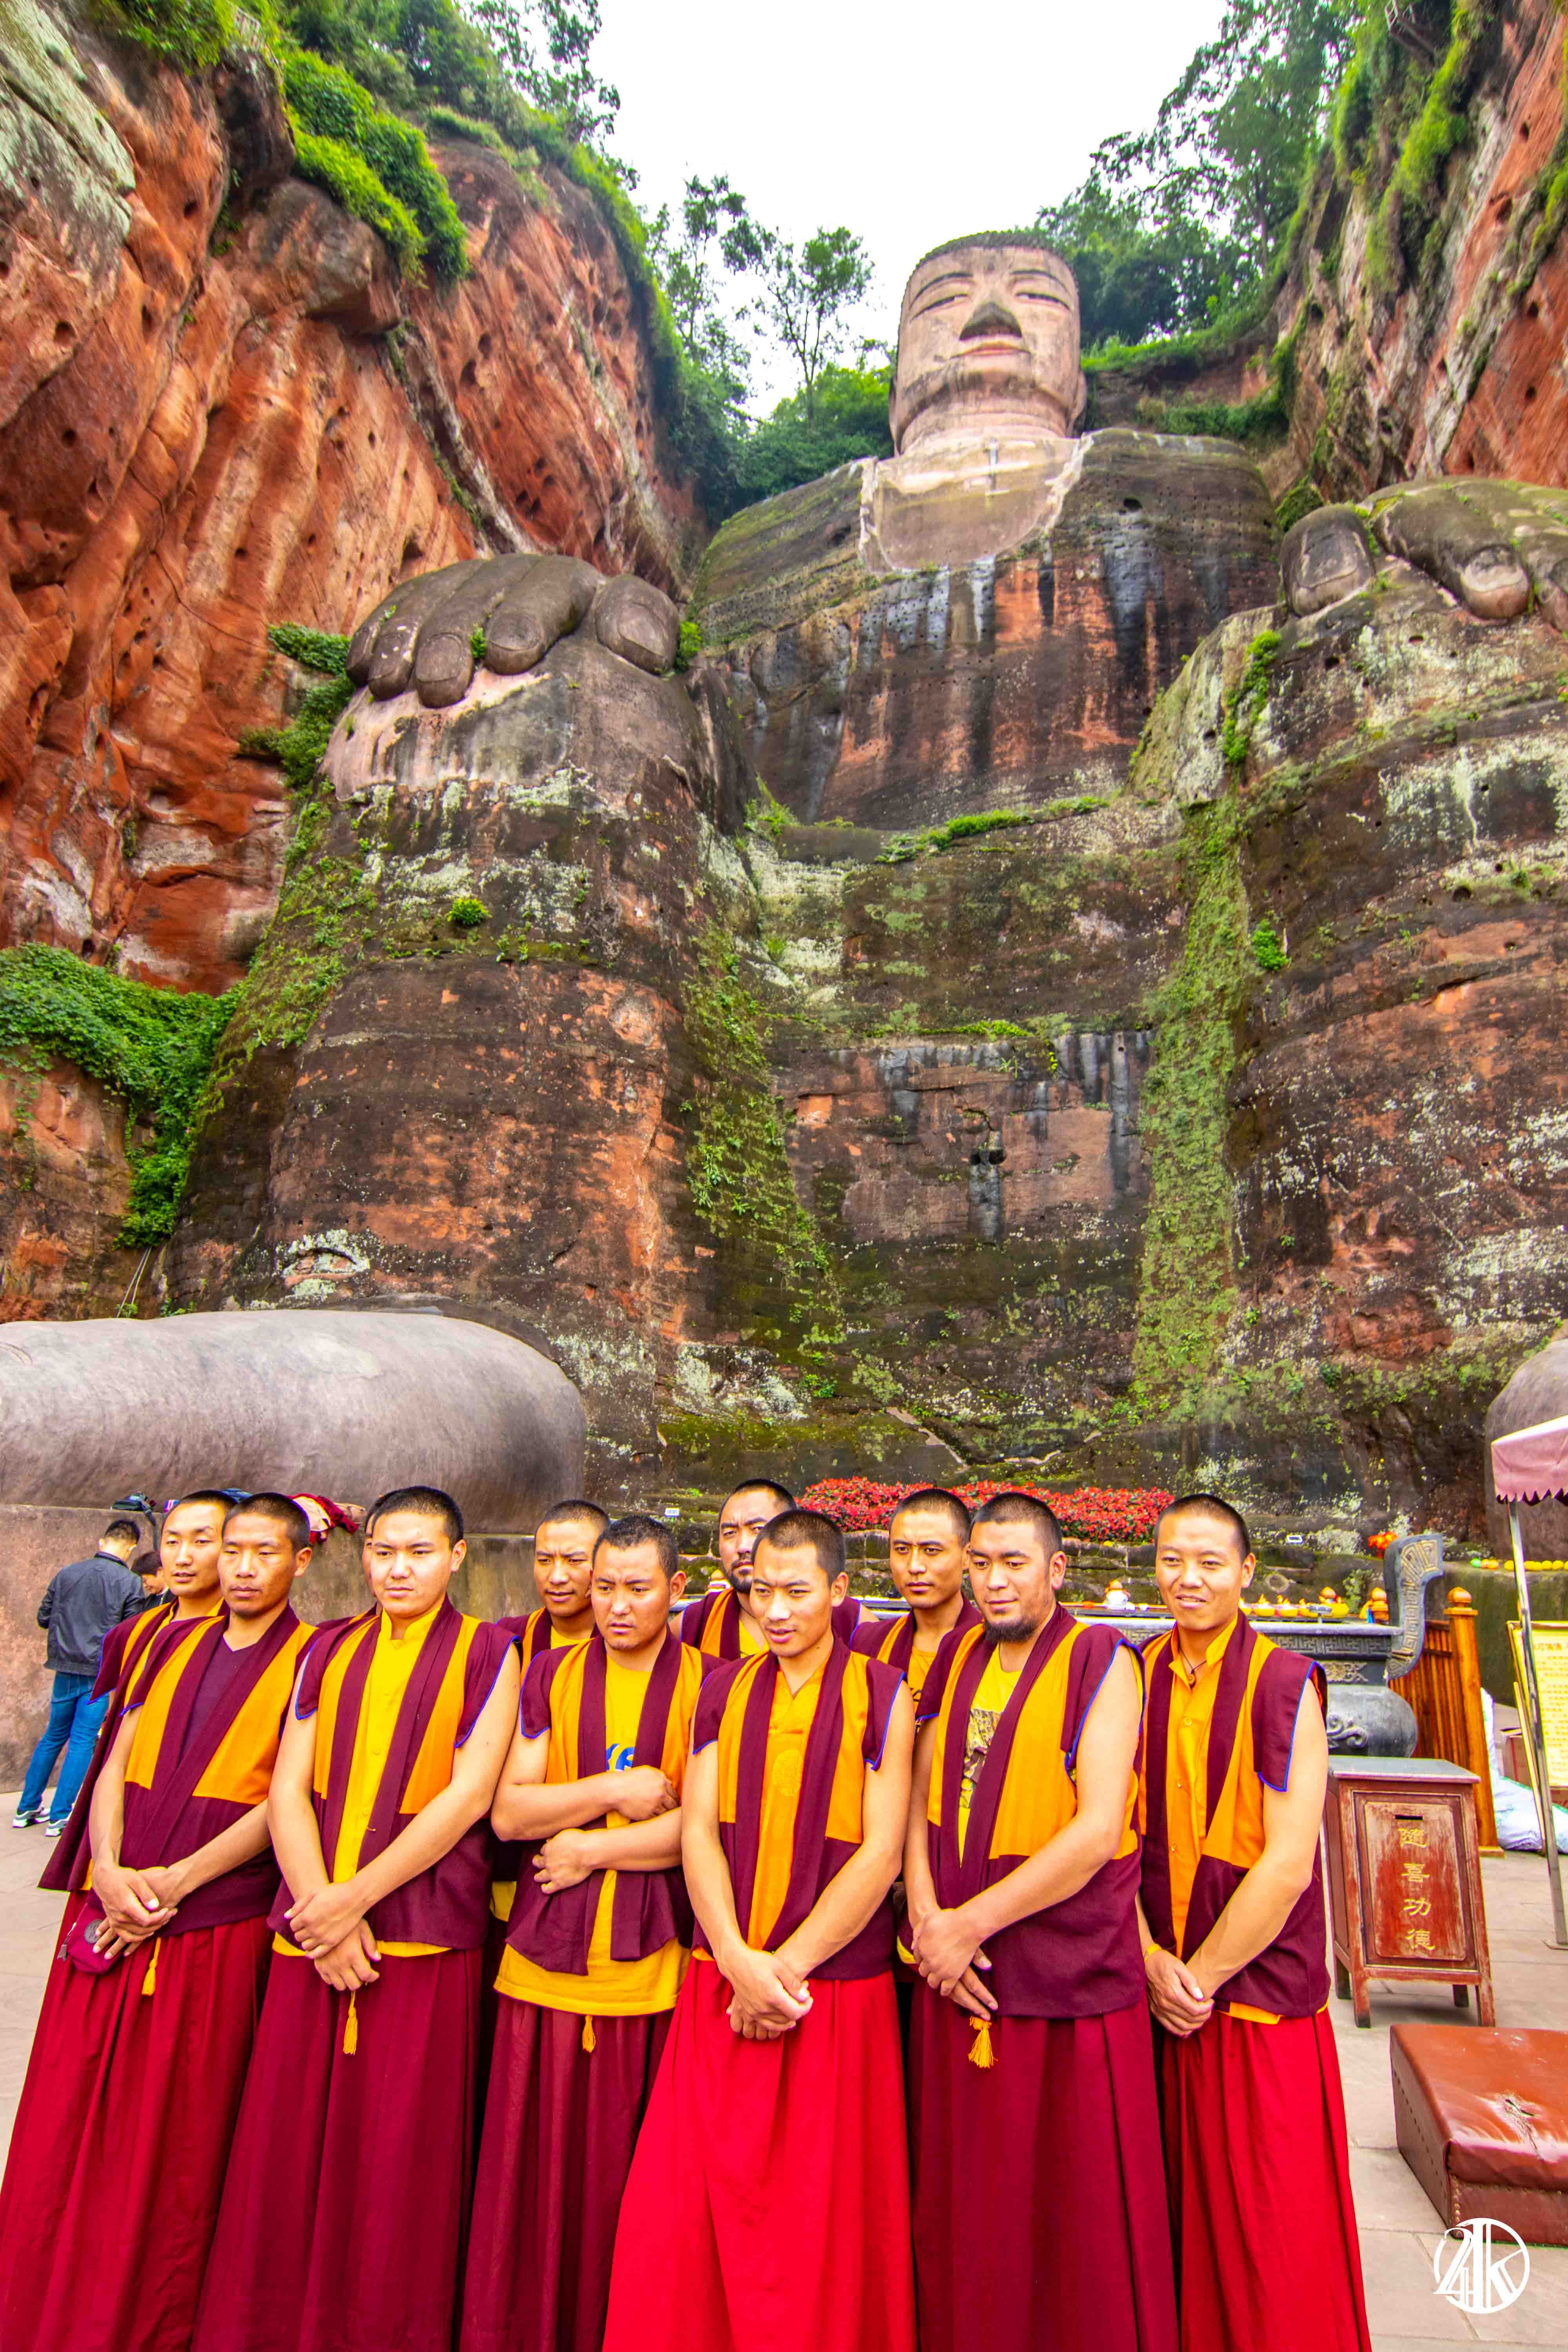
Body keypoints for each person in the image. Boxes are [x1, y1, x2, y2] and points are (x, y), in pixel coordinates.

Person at [191, 1486, 519, 2352]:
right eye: (382, 1551)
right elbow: (287, 1788)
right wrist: (319, 1906)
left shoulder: (488, 1653)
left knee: (399, 2154)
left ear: (456, 1557)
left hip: (418, 1931)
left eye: (419, 1552)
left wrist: (352, 1899)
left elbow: (469, 1796)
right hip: (315, 1930)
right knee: (285, 2142)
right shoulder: (327, 1647)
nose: (396, 1569)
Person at [0, 1494, 318, 2352]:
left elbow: (283, 1797)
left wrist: (178, 1881)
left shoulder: (313, 1661)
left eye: (260, 1552)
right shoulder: (163, 1643)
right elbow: (115, 1761)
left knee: (175, 2135)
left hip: (211, 1919)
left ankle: (146, 2315)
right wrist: (105, 1867)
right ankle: (40, 2296)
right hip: (115, 1897)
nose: (239, 1567)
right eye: (228, 1549)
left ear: (301, 1560)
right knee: (69, 2115)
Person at [603, 1508, 916, 2352]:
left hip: (829, 1992)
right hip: (723, 1977)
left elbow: (882, 1850)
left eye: (796, 1592)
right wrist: (738, 1962)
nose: (775, 1611)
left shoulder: (883, 1694)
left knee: (820, 2216)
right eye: (760, 1591)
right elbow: (698, 1831)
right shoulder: (722, 1689)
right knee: (686, 2207)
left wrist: (783, 1971)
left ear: (838, 1591)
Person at [904, 1490, 1177, 2352]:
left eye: (1013, 1564)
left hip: (1061, 1972)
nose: (993, 1583)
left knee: (1073, 2212)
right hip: (954, 1969)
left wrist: (968, 1927)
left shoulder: (1103, 1662)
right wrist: (926, 1917)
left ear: (1056, 1569)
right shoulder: (956, 1657)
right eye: (981, 1565)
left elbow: (1096, 1831)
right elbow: (918, 1794)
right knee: (967, 2205)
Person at [463, 1515, 706, 2352]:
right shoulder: (550, 1674)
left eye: (637, 1588)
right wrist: (613, 1791)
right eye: (605, 1588)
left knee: (630, 2176)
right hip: (545, 1954)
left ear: (677, 1589)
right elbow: (509, 1812)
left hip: (654, 1963)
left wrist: (585, 1846)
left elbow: (703, 1830)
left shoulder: (711, 1684)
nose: (616, 1606)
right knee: (530, 2172)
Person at [1138, 1495, 1371, 2352]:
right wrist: (1148, 1959)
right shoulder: (1133, 1673)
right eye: (1171, 1561)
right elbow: (1107, 1836)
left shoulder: (1285, 1684)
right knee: (1165, 2222)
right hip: (1154, 1989)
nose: (1188, 1580)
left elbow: (1287, 1862)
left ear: (1245, 1572)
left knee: (1269, 2232)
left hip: (1249, 2002)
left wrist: (1195, 1979)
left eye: (1209, 1563)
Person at [41, 1490, 233, 1895]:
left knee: (59, 1736)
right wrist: (106, 1862)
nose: (182, 1557)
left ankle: (38, 1808)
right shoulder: (135, 1633)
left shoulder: (255, 1642)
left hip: (203, 1837)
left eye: (202, 1541)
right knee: (84, 1740)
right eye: (172, 1542)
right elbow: (118, 1751)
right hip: (123, 1818)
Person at [489, 1501, 609, 1952]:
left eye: (574, 1561)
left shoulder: (633, 1646)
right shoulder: (506, 1642)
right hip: (511, 1856)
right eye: (544, 1560)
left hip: (607, 1855)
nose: (556, 1576)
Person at [15, 1518, 150, 1834]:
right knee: (82, 1741)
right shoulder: (129, 1582)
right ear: (130, 1548)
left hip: (64, 1668)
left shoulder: (67, 1573)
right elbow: (132, 1631)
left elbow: (44, 1617)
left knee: (53, 1736)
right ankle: (60, 1816)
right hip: (99, 1673)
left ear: (102, 1542)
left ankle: (26, 1808)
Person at [682, 1480, 863, 1657]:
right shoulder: (697, 1622)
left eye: (757, 1529)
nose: (742, 1547)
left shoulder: (850, 1620)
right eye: (730, 1533)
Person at [854, 1486, 980, 1704]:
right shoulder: (869, 1643)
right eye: (902, 1550)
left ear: (967, 1556)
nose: (914, 1567)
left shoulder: (992, 1646)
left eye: (931, 1550)